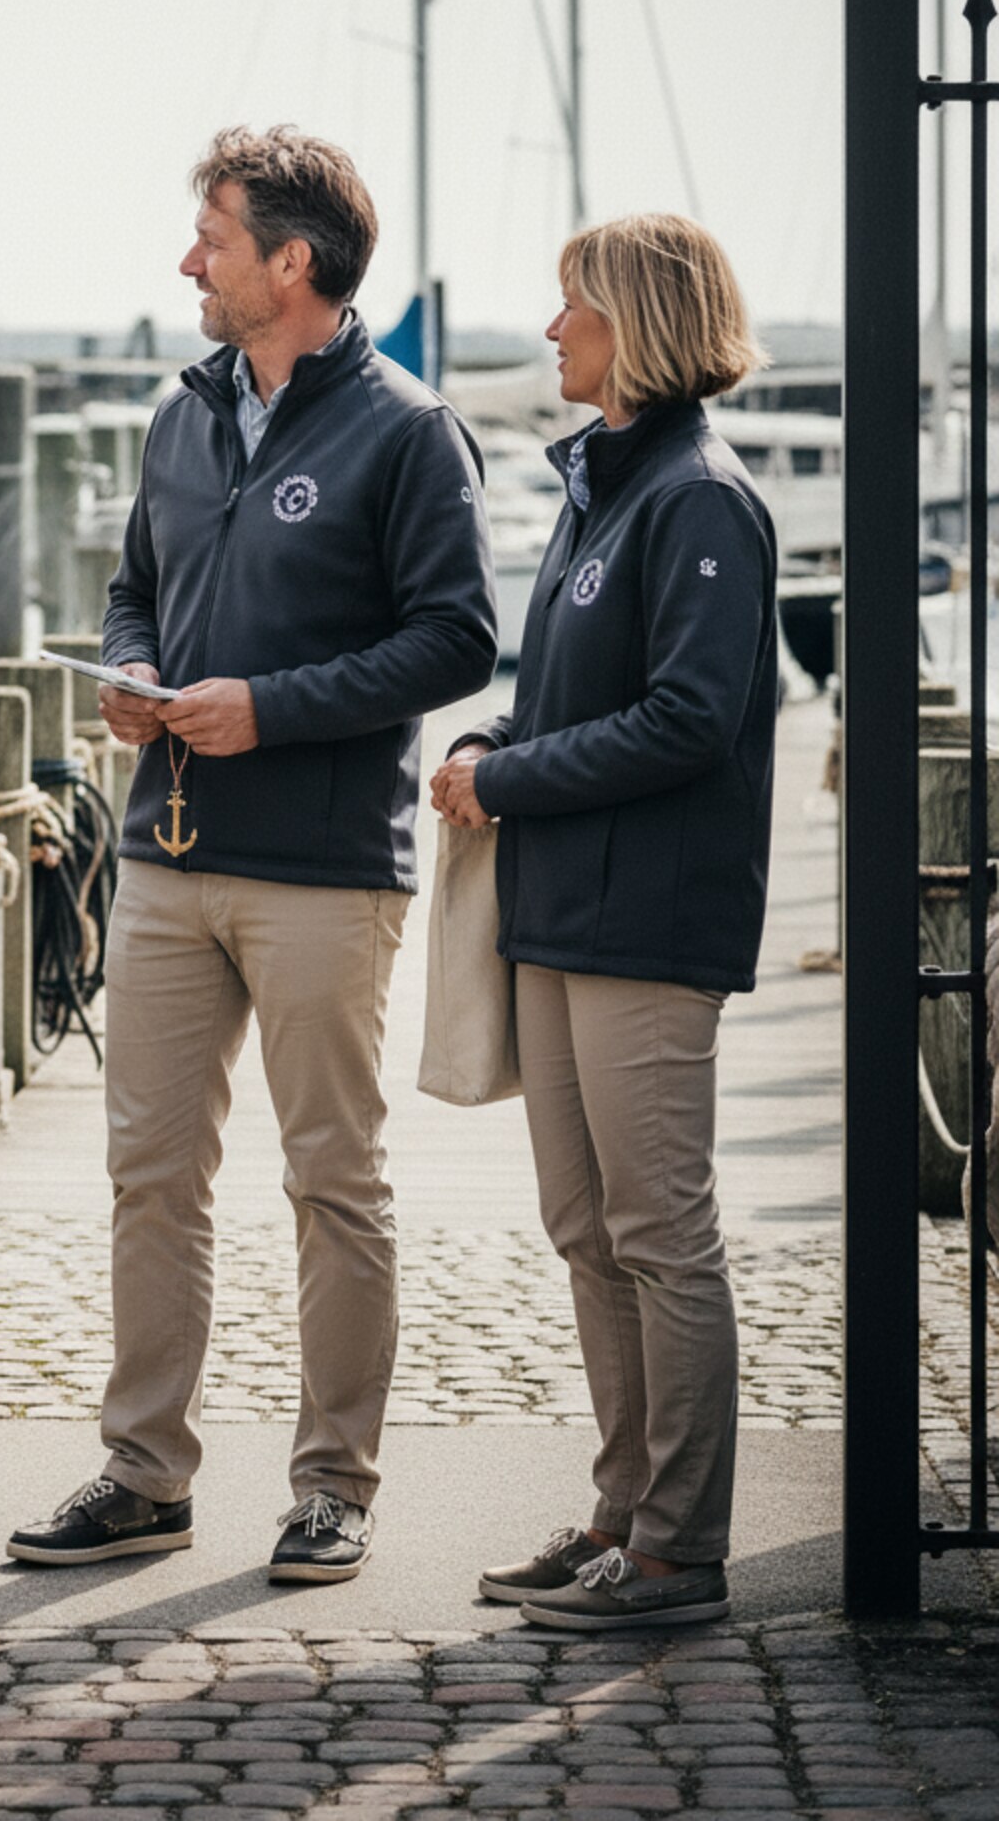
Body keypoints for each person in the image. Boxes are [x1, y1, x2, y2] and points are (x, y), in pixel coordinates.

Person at [5, 125, 498, 1582]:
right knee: (150, 1174)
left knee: (332, 1181)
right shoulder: (184, 414)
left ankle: (335, 1484)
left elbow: (458, 638)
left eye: (211, 240)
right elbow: (134, 590)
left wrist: (266, 710)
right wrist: (133, 670)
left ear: (291, 261)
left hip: (326, 870)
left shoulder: (408, 432)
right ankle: (145, 1474)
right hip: (163, 854)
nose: (187, 265)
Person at [429, 212, 776, 1630]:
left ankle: (682, 1551)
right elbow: (589, 695)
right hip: (562, 915)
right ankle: (623, 1514)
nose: (552, 328)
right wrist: (496, 739)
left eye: (570, 303)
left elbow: (691, 719)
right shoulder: (602, 490)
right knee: (587, 1228)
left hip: (648, 919)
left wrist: (506, 779)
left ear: (633, 321)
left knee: (658, 1231)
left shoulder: (699, 498)